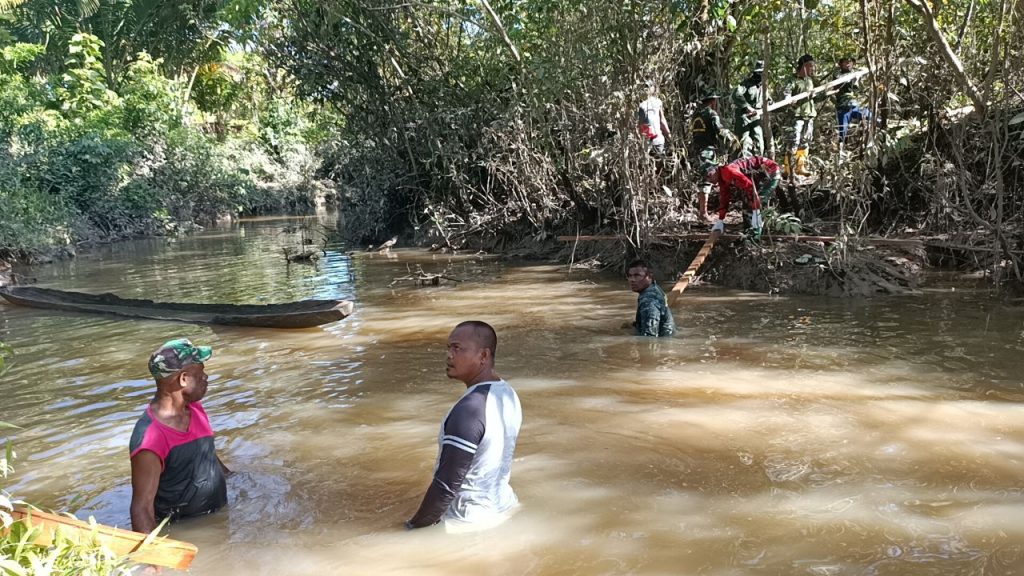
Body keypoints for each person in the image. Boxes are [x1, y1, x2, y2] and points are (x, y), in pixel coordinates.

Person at [406, 321, 522, 532]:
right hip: (505, 507)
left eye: (457, 348)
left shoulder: (469, 409)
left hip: (468, 524)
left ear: (483, 356)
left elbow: (445, 488)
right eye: (449, 348)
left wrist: (411, 528)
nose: (449, 355)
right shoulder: (508, 394)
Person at [129, 338, 229, 534]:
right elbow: (141, 508)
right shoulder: (150, 439)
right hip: (185, 529)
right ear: (183, 379)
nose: (206, 377)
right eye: (200, 373)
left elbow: (206, 452)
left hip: (218, 518)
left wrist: (233, 476)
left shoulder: (195, 409)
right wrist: (154, 561)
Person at [703, 155, 780, 239]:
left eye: (709, 176)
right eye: (707, 179)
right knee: (747, 205)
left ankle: (756, 236)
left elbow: (750, 186)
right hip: (757, 178)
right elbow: (724, 197)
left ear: (715, 170)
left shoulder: (730, 171)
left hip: (770, 171)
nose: (710, 180)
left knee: (759, 202)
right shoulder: (722, 178)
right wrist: (720, 219)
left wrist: (756, 209)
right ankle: (748, 233)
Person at [689, 93, 736, 220]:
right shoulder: (711, 114)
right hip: (707, 151)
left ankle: (702, 212)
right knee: (707, 179)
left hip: (697, 150)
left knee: (702, 179)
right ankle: (703, 213)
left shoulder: (696, 115)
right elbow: (718, 130)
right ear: (713, 102)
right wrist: (730, 138)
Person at [783, 54, 817, 176]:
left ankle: (800, 167)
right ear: (804, 66)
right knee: (793, 142)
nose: (813, 68)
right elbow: (786, 93)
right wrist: (789, 100)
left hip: (808, 115)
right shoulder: (793, 80)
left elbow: (813, 98)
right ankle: (788, 169)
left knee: (805, 142)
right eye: (810, 66)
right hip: (796, 116)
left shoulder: (809, 80)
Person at [626, 259, 675, 338]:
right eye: (630, 276)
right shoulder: (654, 288)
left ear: (649, 276)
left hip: (663, 342)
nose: (632, 280)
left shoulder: (649, 300)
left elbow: (649, 337)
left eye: (637, 275)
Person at [732, 61, 767, 157]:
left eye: (762, 73)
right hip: (744, 117)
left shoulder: (763, 86)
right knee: (744, 142)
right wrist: (747, 107)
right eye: (758, 73)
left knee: (759, 142)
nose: (760, 76)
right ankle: (740, 165)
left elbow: (768, 101)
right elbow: (736, 94)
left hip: (756, 117)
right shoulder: (746, 84)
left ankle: (757, 164)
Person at [834, 56, 871, 147]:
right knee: (843, 131)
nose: (848, 64)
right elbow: (843, 81)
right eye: (845, 62)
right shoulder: (837, 75)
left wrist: (860, 74)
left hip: (856, 105)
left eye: (850, 62)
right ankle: (842, 151)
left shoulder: (856, 72)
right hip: (843, 107)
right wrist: (855, 77)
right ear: (841, 64)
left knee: (871, 116)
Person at [637, 80, 671, 157]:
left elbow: (662, 120)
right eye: (645, 87)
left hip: (657, 139)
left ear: (654, 88)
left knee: (659, 162)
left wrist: (668, 134)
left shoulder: (658, 102)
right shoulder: (642, 105)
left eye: (649, 86)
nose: (647, 89)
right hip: (648, 141)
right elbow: (641, 125)